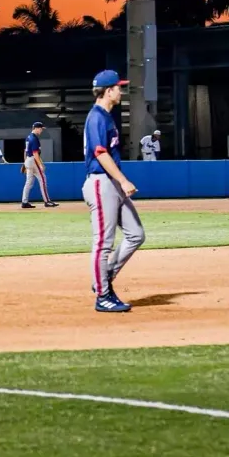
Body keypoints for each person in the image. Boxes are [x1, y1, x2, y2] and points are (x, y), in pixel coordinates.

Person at [84, 70, 145, 313]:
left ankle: (104, 276)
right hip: (102, 182)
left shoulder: (107, 117)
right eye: (119, 87)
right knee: (103, 243)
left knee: (136, 234)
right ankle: (103, 296)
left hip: (112, 183)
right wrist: (123, 180)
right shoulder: (97, 117)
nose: (121, 91)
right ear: (108, 91)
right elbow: (100, 153)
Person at [22, 121, 57, 209]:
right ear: (36, 128)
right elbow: (35, 153)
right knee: (43, 179)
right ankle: (47, 201)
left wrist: (25, 163)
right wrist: (40, 164)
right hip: (33, 160)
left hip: (28, 160)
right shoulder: (34, 138)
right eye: (41, 128)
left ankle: (24, 202)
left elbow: (25, 151)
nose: (41, 130)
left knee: (28, 182)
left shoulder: (28, 137)